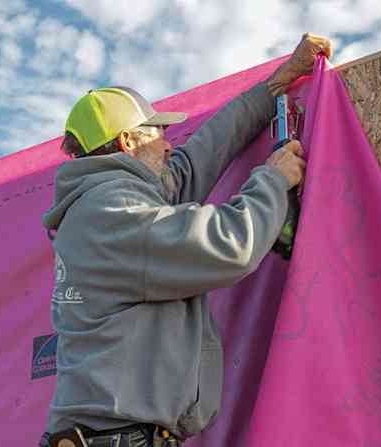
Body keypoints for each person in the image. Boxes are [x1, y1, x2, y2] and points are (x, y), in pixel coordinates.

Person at [39, 34, 332, 447]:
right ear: (130, 141)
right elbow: (228, 244)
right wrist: (273, 179)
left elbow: (199, 156)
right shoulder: (111, 213)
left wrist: (275, 86)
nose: (168, 142)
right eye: (158, 133)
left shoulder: (112, 203)